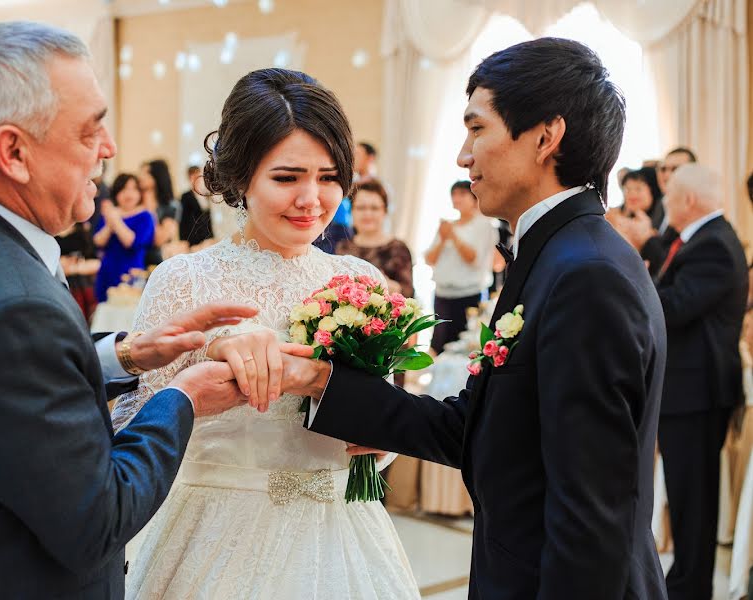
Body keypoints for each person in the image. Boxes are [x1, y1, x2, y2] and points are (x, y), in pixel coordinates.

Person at [0, 22, 259, 599]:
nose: (110, 149)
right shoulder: (12, 309)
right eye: (91, 128)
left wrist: (123, 355)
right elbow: (98, 520)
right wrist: (181, 398)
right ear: (14, 151)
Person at [281, 38, 669, 599]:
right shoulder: (560, 255)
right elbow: (484, 428)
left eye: (477, 129)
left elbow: (590, 518)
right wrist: (329, 385)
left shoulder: (586, 275)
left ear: (545, 137)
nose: (463, 156)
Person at [111, 68, 420, 599]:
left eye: (328, 177)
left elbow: (381, 431)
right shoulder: (186, 279)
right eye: (286, 177)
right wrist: (209, 361)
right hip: (216, 538)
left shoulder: (361, 281)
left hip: (343, 536)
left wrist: (377, 438)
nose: (311, 199)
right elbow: (131, 425)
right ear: (240, 177)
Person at [654, 164, 748, 600]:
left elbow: (673, 306)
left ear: (688, 201)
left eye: (669, 195)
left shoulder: (713, 246)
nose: (665, 203)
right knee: (688, 496)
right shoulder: (700, 240)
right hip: (689, 391)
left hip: (697, 393)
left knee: (694, 501)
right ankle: (685, 583)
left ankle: (690, 590)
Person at [335, 179, 413, 387]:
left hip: (385, 340)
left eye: (374, 208)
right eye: (361, 207)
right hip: (349, 339)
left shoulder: (397, 248)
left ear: (384, 211)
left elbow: (406, 296)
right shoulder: (343, 248)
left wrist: (378, 283)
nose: (367, 214)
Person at [425, 180, 497, 354]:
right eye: (454, 194)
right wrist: (443, 238)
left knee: (463, 345)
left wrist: (453, 236)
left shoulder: (483, 225)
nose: (456, 198)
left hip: (468, 294)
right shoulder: (447, 225)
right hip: (442, 293)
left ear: (474, 198)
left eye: (462, 194)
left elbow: (473, 258)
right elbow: (429, 259)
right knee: (439, 343)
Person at [93, 173, 155, 302]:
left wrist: (115, 220)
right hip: (107, 271)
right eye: (124, 189)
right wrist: (111, 222)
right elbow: (98, 241)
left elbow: (131, 242)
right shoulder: (110, 214)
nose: (129, 194)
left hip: (131, 274)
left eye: (133, 189)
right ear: (116, 193)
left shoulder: (145, 216)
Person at [178, 164, 214, 247]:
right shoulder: (186, 196)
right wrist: (183, 240)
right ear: (190, 178)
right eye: (194, 176)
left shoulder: (206, 195)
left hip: (207, 236)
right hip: (193, 238)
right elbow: (183, 219)